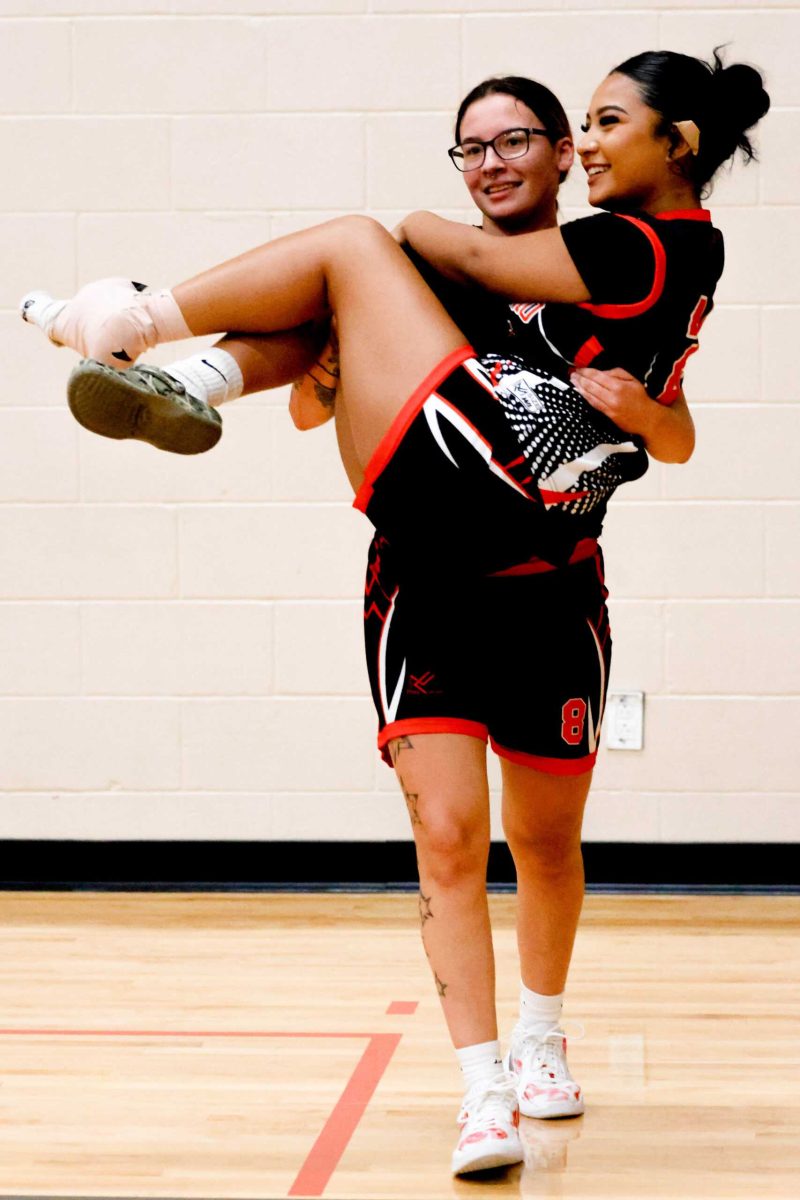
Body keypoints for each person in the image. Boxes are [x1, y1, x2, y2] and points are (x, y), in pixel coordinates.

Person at [21, 50, 769, 1176]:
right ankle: (481, 1094)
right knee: (447, 839)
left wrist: (643, 419)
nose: (491, 161)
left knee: (546, 843)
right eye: (469, 148)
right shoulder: (456, 294)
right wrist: (317, 370)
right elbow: (319, 401)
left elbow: (673, 431)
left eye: (524, 138)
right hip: (427, 557)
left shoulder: (614, 254)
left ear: (570, 155)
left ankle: (539, 1042)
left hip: (545, 578)